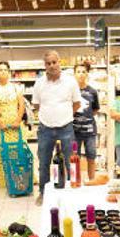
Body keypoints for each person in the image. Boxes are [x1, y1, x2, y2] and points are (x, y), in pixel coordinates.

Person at [33, 50, 82, 205]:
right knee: (44, 163)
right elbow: (36, 104)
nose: (52, 66)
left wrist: (65, 116)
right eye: (48, 63)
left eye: (54, 62)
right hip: (45, 129)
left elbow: (77, 103)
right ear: (45, 66)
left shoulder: (70, 81)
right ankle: (43, 193)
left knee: (71, 162)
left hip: (66, 128)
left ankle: (72, 192)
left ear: (59, 62)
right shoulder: (39, 83)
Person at [0, 61, 25, 190]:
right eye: (0, 70)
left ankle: (20, 176)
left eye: (5, 70)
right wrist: (0, 123)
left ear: (9, 72)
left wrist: (18, 121)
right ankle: (4, 179)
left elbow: (21, 106)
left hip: (16, 125)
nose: (3, 72)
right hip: (1, 126)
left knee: (18, 151)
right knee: (3, 152)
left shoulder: (16, 87)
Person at [73, 62, 100, 181]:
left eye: (83, 72)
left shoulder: (93, 91)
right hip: (74, 132)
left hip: (90, 132)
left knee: (91, 157)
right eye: (78, 72)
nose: (81, 74)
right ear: (74, 74)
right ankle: (76, 181)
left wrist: (85, 117)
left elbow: (95, 109)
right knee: (74, 157)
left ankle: (92, 181)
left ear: (87, 74)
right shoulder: (71, 91)